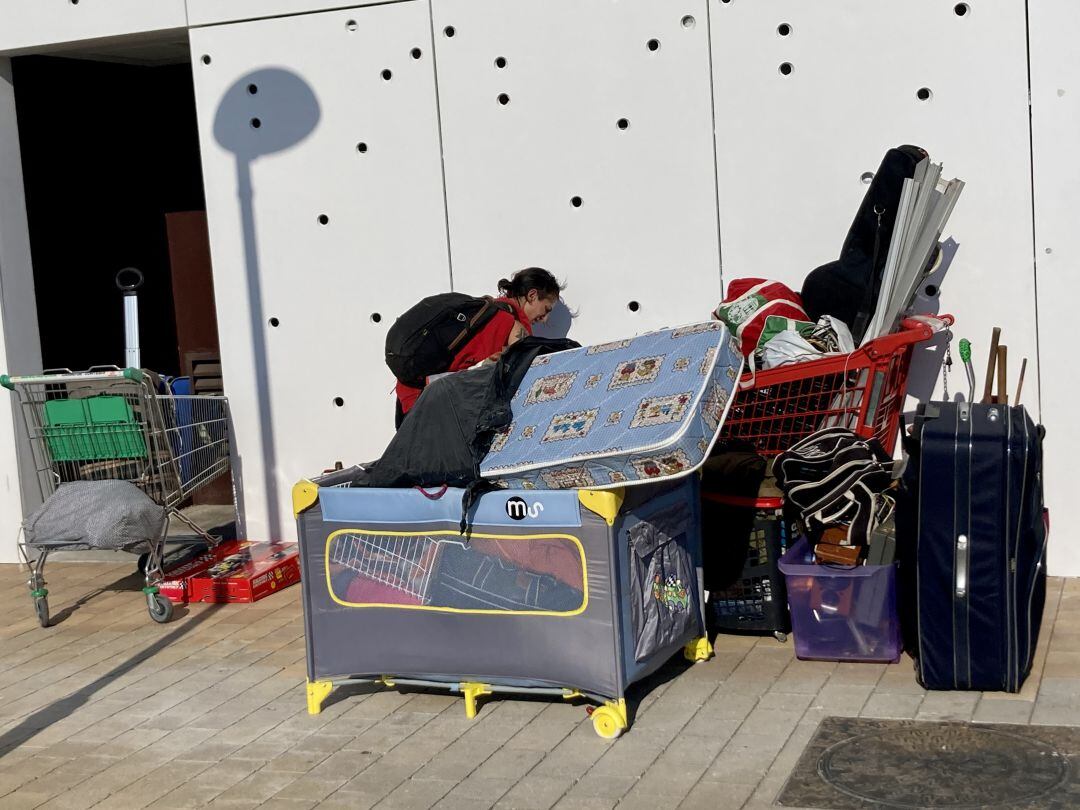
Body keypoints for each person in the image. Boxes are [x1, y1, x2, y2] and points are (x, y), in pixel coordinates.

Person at [394, 267, 564, 428]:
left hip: (410, 396)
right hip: (435, 408)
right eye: (546, 309)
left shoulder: (489, 308)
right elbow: (527, 383)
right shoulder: (515, 327)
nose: (545, 319)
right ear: (532, 295)